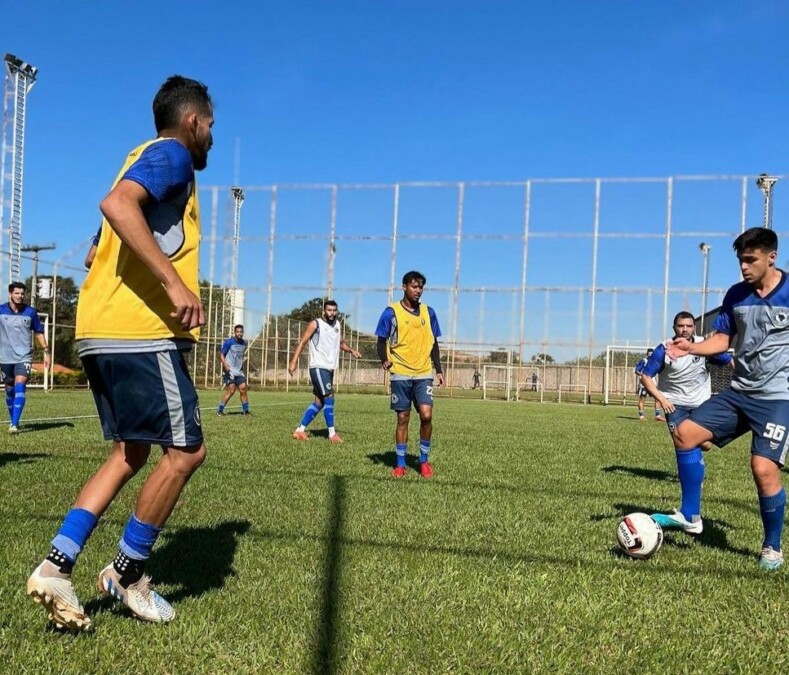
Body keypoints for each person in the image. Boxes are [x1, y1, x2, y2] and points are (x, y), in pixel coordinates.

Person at [27, 75, 214, 631]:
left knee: (130, 453)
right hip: (138, 332)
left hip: (99, 329)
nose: (211, 137)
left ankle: (55, 567)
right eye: (210, 126)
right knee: (185, 453)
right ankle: (127, 574)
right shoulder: (172, 155)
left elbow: (94, 250)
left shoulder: (137, 158)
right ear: (191, 121)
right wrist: (174, 285)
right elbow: (116, 206)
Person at [660, 227, 789, 571]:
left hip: (777, 398)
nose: (745, 267)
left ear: (771, 257)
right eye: (741, 261)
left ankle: (772, 548)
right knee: (685, 433)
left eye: (751, 260)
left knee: (763, 469)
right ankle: (690, 515)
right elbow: (722, 338)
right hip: (738, 392)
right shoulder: (736, 295)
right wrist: (692, 347)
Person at [638, 311, 734, 532]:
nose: (685, 330)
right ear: (674, 327)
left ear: (694, 328)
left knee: (706, 445)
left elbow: (729, 360)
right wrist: (662, 399)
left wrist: (743, 381)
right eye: (681, 326)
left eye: (689, 326)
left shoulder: (703, 347)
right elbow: (645, 376)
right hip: (675, 406)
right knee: (684, 444)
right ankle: (690, 506)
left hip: (701, 404)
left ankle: (694, 476)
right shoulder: (664, 350)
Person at [375, 271, 444, 478]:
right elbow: (381, 340)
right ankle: (401, 463)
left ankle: (423, 461)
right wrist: (384, 359)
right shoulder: (391, 312)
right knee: (403, 417)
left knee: (426, 415)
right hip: (401, 373)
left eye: (421, 287)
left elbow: (434, 343)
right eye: (414, 286)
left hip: (423, 373)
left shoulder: (428, 312)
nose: (418, 291)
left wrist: (438, 369)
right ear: (404, 287)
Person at [288, 299, 361, 442]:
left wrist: (351, 350)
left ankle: (300, 430)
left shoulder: (337, 325)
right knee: (329, 397)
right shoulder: (316, 324)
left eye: (334, 310)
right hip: (318, 367)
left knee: (319, 403)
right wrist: (293, 361)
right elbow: (303, 341)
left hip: (329, 368)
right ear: (324, 310)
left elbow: (340, 343)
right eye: (329, 310)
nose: (332, 313)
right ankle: (332, 434)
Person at [0, 282, 51, 433]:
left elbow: (39, 332)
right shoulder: (1, 311)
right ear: (10, 294)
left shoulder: (31, 312)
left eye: (22, 294)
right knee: (9, 390)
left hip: (24, 356)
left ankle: (14, 425)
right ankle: (13, 419)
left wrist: (46, 351)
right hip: (5, 357)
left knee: (20, 385)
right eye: (17, 293)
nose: (20, 296)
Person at [217, 324, 250, 416]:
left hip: (239, 371)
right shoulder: (229, 342)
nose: (239, 333)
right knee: (231, 390)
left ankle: (246, 411)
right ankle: (220, 410)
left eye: (241, 332)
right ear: (234, 332)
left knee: (243, 389)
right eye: (237, 332)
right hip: (230, 371)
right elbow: (221, 354)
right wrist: (225, 365)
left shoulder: (244, 343)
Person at [634, 348, 665, 422]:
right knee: (642, 400)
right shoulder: (644, 361)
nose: (650, 355)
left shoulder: (655, 362)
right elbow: (637, 370)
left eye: (652, 354)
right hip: (644, 384)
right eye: (649, 354)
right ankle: (641, 417)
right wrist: (643, 375)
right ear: (647, 354)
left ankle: (658, 416)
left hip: (652, 384)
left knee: (658, 398)